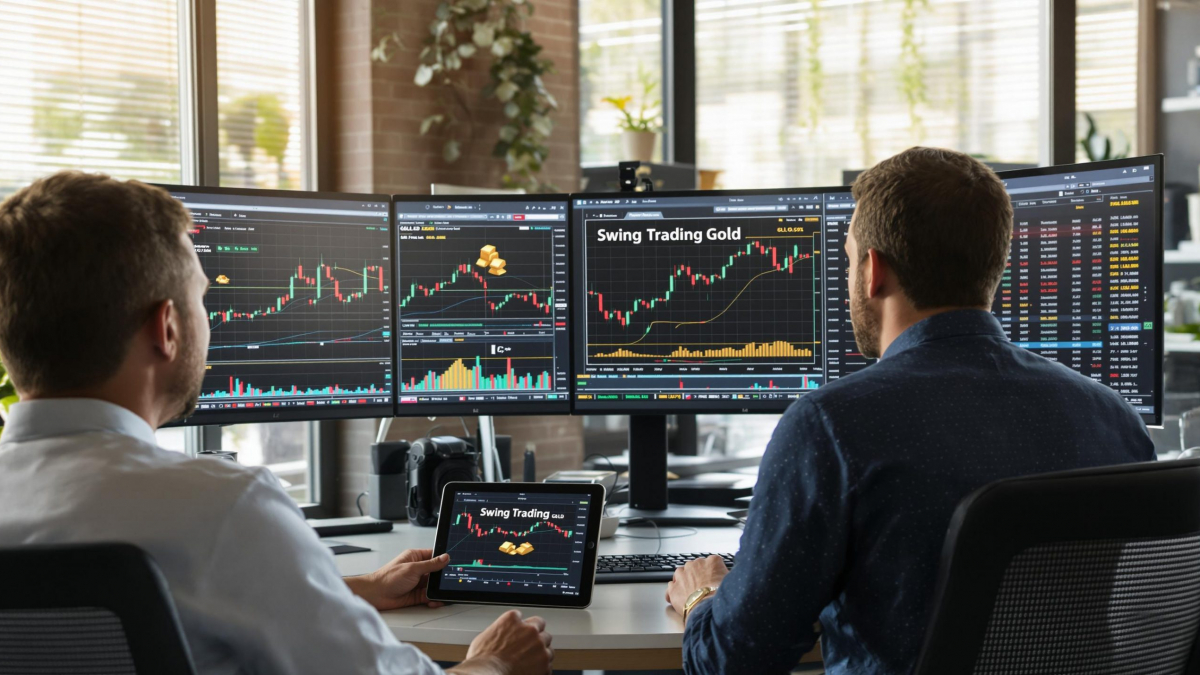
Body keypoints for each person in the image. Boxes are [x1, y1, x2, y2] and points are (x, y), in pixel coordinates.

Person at [0, 172, 553, 675]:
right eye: (202, 299)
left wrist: (351, 589)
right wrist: (497, 663)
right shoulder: (222, 508)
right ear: (166, 328)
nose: (210, 321)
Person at [666, 148, 1156, 675]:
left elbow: (732, 662)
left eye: (850, 258)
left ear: (873, 271)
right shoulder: (1114, 418)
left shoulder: (831, 425)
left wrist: (703, 598)